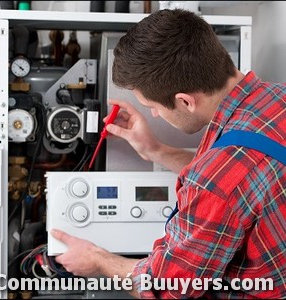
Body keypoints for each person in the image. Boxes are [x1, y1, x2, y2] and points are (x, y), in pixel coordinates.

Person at [51, 9, 286, 299]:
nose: (154, 115)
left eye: (154, 107)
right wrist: (155, 150)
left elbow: (167, 287)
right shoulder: (278, 98)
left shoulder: (214, 182)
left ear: (185, 101)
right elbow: (244, 182)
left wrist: (98, 260)